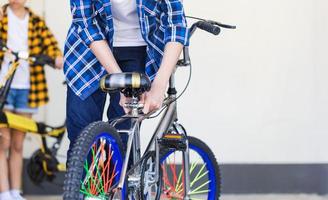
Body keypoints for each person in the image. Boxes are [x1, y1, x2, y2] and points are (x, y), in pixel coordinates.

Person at [64, 0, 189, 149]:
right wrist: (120, 80)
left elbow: (176, 24)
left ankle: (122, 170)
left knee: (124, 135)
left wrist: (159, 85)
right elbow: (86, 24)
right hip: (88, 52)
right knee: (81, 136)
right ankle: (85, 172)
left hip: (137, 50)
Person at [0, 1, 63, 199]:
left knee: (18, 143)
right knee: (3, 142)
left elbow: (52, 45)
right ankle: (4, 191)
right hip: (4, 87)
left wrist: (57, 58)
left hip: (27, 90)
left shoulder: (35, 20)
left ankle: (15, 192)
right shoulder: (1, 17)